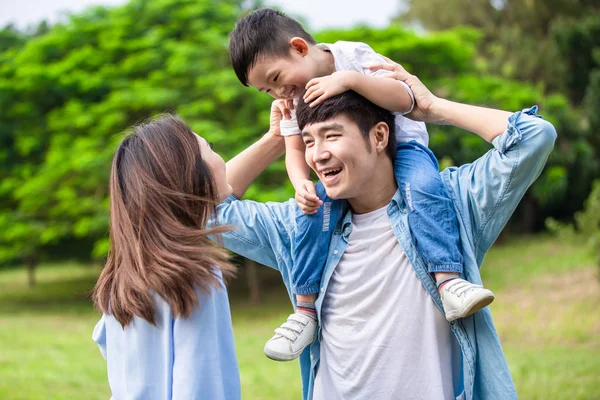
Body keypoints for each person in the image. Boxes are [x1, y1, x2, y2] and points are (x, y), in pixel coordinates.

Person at [216, 61, 556, 399]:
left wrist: (432, 108)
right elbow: (205, 212)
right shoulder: (305, 224)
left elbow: (534, 137)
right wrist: (278, 139)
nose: (318, 155)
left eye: (331, 135)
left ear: (379, 136)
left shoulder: (448, 205)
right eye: (309, 142)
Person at [228, 8, 494, 362]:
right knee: (311, 215)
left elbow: (406, 101)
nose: (279, 92)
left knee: (425, 190)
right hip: (343, 175)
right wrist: (300, 184)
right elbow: (294, 150)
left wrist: (350, 81)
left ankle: (448, 281)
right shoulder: (290, 101)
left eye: (277, 78)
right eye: (267, 90)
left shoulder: (352, 55)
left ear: (300, 48)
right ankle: (306, 310)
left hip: (405, 150)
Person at [91, 115, 241, 399]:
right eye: (209, 147)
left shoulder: (123, 275)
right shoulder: (195, 275)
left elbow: (105, 341)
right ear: (191, 176)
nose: (220, 158)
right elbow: (201, 385)